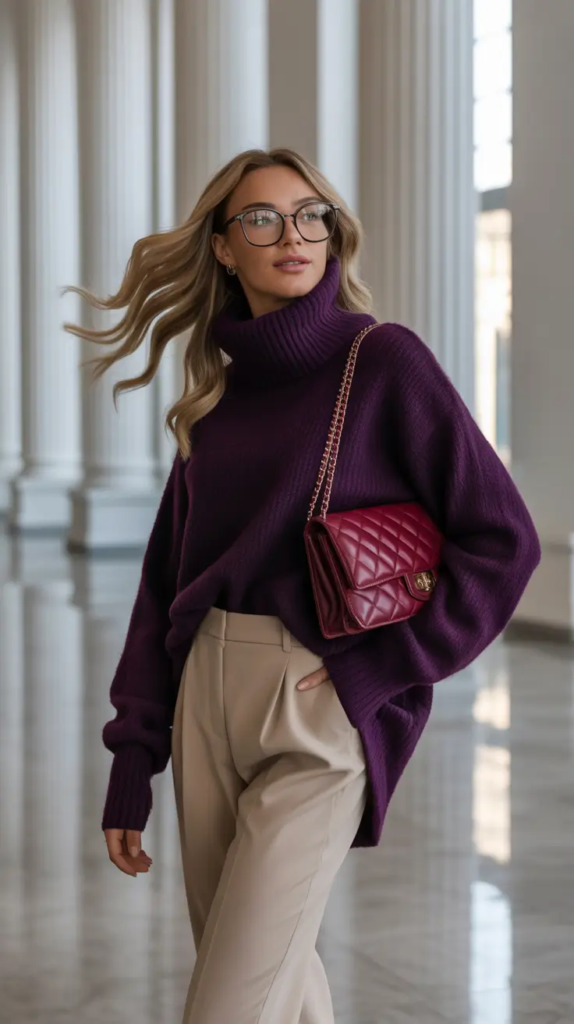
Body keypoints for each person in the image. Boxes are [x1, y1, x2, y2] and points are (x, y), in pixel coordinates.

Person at [64, 147, 541, 1024]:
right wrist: (135, 753)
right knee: (272, 981)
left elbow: (503, 537)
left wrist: (378, 671)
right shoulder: (219, 392)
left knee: (228, 1005)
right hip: (205, 692)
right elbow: (166, 580)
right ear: (221, 246)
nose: (293, 234)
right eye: (262, 218)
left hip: (319, 699)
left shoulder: (384, 360)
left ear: (332, 233)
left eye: (310, 214)